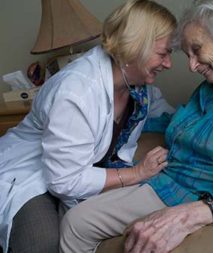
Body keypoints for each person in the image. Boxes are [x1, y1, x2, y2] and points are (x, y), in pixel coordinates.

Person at [60, 0, 213, 252]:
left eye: (197, 50)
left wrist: (202, 211)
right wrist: (112, 122)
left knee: (75, 223)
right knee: (72, 198)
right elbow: (178, 122)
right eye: (188, 54)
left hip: (188, 193)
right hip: (166, 177)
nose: (192, 65)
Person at [0, 0, 177, 252]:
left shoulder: (138, 87)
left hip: (77, 171)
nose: (168, 63)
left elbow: (172, 116)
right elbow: (63, 180)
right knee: (42, 244)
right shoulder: (76, 92)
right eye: (162, 54)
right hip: (32, 173)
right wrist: (136, 174)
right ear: (135, 47)